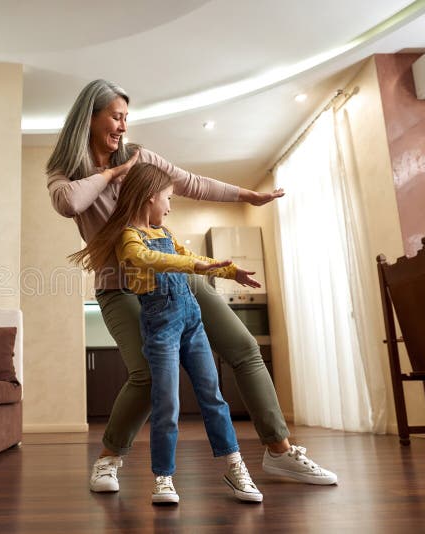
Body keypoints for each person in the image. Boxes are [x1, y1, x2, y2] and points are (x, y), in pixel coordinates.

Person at [46, 79, 337, 493]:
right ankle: (109, 458)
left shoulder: (141, 157)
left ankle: (280, 452)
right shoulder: (65, 173)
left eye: (126, 118)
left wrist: (247, 196)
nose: (123, 127)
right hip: (119, 287)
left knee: (245, 348)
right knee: (146, 374)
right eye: (115, 117)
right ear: (89, 118)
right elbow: (69, 204)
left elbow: (192, 182)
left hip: (173, 277)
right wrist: (114, 172)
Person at [71, 162, 265, 504]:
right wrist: (194, 266)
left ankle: (235, 468)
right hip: (161, 326)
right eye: (168, 199)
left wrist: (231, 271)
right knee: (166, 404)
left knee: (213, 397)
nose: (170, 206)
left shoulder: (168, 235)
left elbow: (191, 256)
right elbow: (145, 259)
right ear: (150, 198)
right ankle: (163, 478)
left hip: (193, 322)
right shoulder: (128, 238)